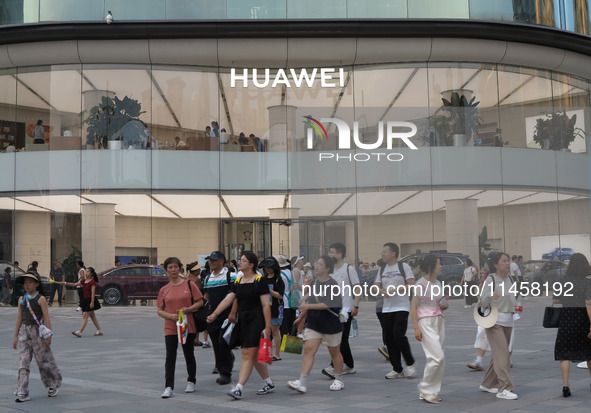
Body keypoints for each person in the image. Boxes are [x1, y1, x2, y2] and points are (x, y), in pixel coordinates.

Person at [207, 251, 273, 400]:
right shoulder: (238, 281)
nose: (239, 262)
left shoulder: (260, 280)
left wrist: (267, 327)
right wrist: (214, 314)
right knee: (253, 355)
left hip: (257, 320)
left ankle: (239, 388)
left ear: (251, 265)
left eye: (243, 260)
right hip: (243, 320)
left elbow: (266, 306)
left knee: (247, 353)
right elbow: (227, 300)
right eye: (240, 260)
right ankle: (268, 383)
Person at [287, 255, 345, 393]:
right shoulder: (313, 283)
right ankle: (301, 381)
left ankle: (338, 379)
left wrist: (307, 307)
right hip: (314, 323)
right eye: (316, 263)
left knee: (334, 352)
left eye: (319, 264)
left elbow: (327, 305)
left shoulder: (333, 285)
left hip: (331, 324)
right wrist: (301, 317)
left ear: (327, 268)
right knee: (309, 350)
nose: (316, 266)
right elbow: (308, 302)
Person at [156, 257, 204, 398]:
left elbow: (200, 302)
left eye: (176, 267)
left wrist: (188, 309)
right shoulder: (164, 290)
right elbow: (159, 310)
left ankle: (191, 381)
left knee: (188, 353)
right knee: (170, 356)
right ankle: (169, 386)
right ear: (166, 270)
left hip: (187, 326)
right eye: (170, 267)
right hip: (170, 327)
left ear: (180, 268)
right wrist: (170, 316)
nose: (173, 270)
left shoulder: (189, 284)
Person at [12, 271, 62, 402]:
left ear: (37, 284)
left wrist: (49, 335)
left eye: (30, 282)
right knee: (23, 362)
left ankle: (52, 385)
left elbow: (46, 318)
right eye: (25, 283)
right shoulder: (21, 299)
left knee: (43, 362)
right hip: (24, 333)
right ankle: (22, 391)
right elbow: (19, 319)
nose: (27, 285)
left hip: (38, 333)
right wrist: (16, 336)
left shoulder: (41, 299)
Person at [478, 252, 519, 400]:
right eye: (504, 261)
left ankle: (488, 383)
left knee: (500, 354)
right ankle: (504, 388)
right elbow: (482, 301)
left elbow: (512, 298)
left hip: (508, 320)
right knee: (503, 355)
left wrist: (517, 306)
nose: (508, 263)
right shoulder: (491, 279)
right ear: (495, 265)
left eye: (508, 260)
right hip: (494, 321)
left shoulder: (509, 279)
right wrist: (490, 297)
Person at [374, 242, 416, 379]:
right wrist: (381, 291)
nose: (382, 254)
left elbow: (411, 284)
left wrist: (396, 290)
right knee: (389, 339)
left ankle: (409, 363)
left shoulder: (403, 267)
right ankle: (397, 369)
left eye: (384, 251)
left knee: (398, 335)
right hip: (386, 308)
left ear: (393, 253)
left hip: (401, 307)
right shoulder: (382, 269)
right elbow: (375, 286)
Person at [410, 255, 448, 404]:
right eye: (439, 264)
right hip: (425, 321)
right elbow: (413, 307)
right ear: (431, 266)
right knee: (437, 357)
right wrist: (416, 328)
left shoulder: (438, 283)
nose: (441, 267)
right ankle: (425, 390)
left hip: (439, 320)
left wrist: (444, 305)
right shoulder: (420, 284)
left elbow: (439, 302)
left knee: (437, 358)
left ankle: (430, 391)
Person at [552, 253, 591, 397]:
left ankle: (565, 385)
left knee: (565, 354)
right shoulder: (587, 282)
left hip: (567, 318)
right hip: (583, 319)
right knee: (589, 353)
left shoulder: (562, 281)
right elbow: (589, 303)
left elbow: (555, 300)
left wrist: (569, 301)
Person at [322, 243, 361, 378]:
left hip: (345, 309)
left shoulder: (349, 269)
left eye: (332, 252)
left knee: (340, 339)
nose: (330, 255)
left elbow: (357, 288)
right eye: (330, 252)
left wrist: (356, 305)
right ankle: (349, 365)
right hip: (332, 310)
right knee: (338, 338)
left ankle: (334, 365)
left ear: (340, 254)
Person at [202, 250, 237, 384]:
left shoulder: (231, 275)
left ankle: (225, 373)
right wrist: (206, 313)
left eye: (214, 260)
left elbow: (235, 296)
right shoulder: (207, 278)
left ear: (222, 261)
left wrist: (233, 313)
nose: (211, 262)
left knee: (223, 342)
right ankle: (224, 362)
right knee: (216, 343)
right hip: (213, 316)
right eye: (210, 260)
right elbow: (206, 297)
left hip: (227, 315)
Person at [62, 267, 103, 337]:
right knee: (92, 316)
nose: (86, 273)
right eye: (86, 271)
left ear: (91, 273)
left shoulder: (92, 282)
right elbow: (75, 284)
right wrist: (65, 283)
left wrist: (92, 302)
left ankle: (79, 332)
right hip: (85, 300)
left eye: (88, 272)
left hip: (90, 300)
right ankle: (99, 330)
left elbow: (93, 293)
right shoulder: (83, 281)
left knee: (85, 315)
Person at [259, 257, 285, 361]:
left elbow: (280, 295)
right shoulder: (263, 278)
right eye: (266, 267)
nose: (268, 269)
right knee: (265, 331)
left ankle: (277, 354)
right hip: (265, 308)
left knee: (275, 331)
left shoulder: (278, 280)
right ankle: (265, 354)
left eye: (270, 267)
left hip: (276, 308)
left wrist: (269, 290)